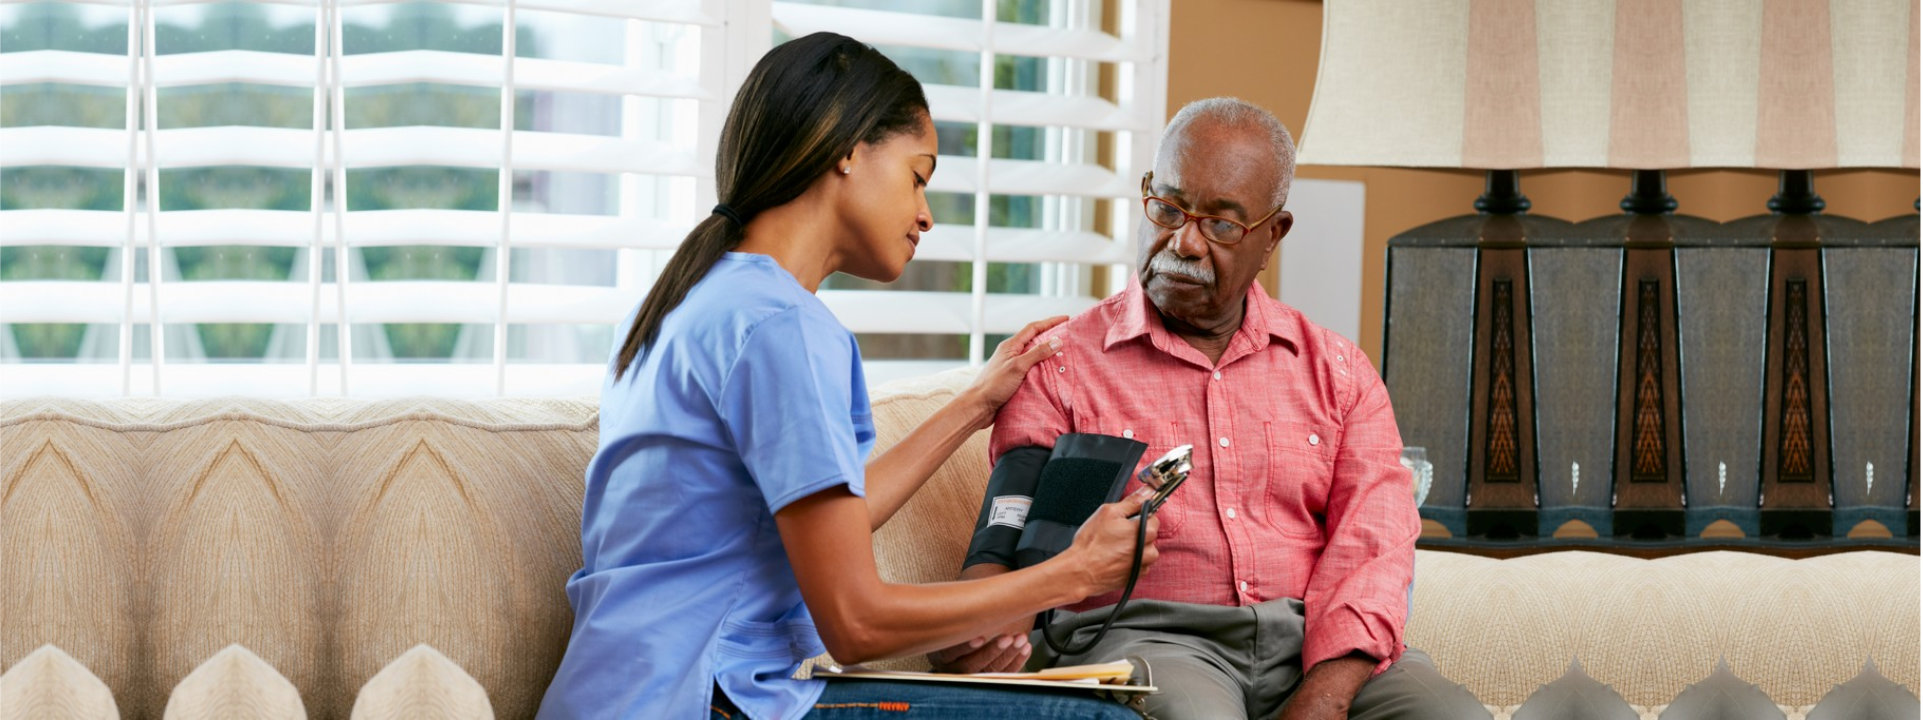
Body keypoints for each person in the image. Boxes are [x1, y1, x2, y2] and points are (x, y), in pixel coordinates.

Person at [535, 33, 1160, 720]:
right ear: (848, 148)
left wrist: (974, 403)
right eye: (917, 176)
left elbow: (834, 517)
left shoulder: (690, 301)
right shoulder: (781, 327)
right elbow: (855, 623)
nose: (925, 214)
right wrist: (1068, 574)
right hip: (704, 698)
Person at [931, 98, 1491, 720]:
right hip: (1152, 643)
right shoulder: (1061, 366)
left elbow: (1375, 549)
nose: (1185, 243)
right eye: (1168, 208)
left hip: (1315, 644)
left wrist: (1324, 699)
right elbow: (1003, 550)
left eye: (1221, 225)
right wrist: (972, 628)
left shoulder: (1339, 372)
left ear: (1272, 235)